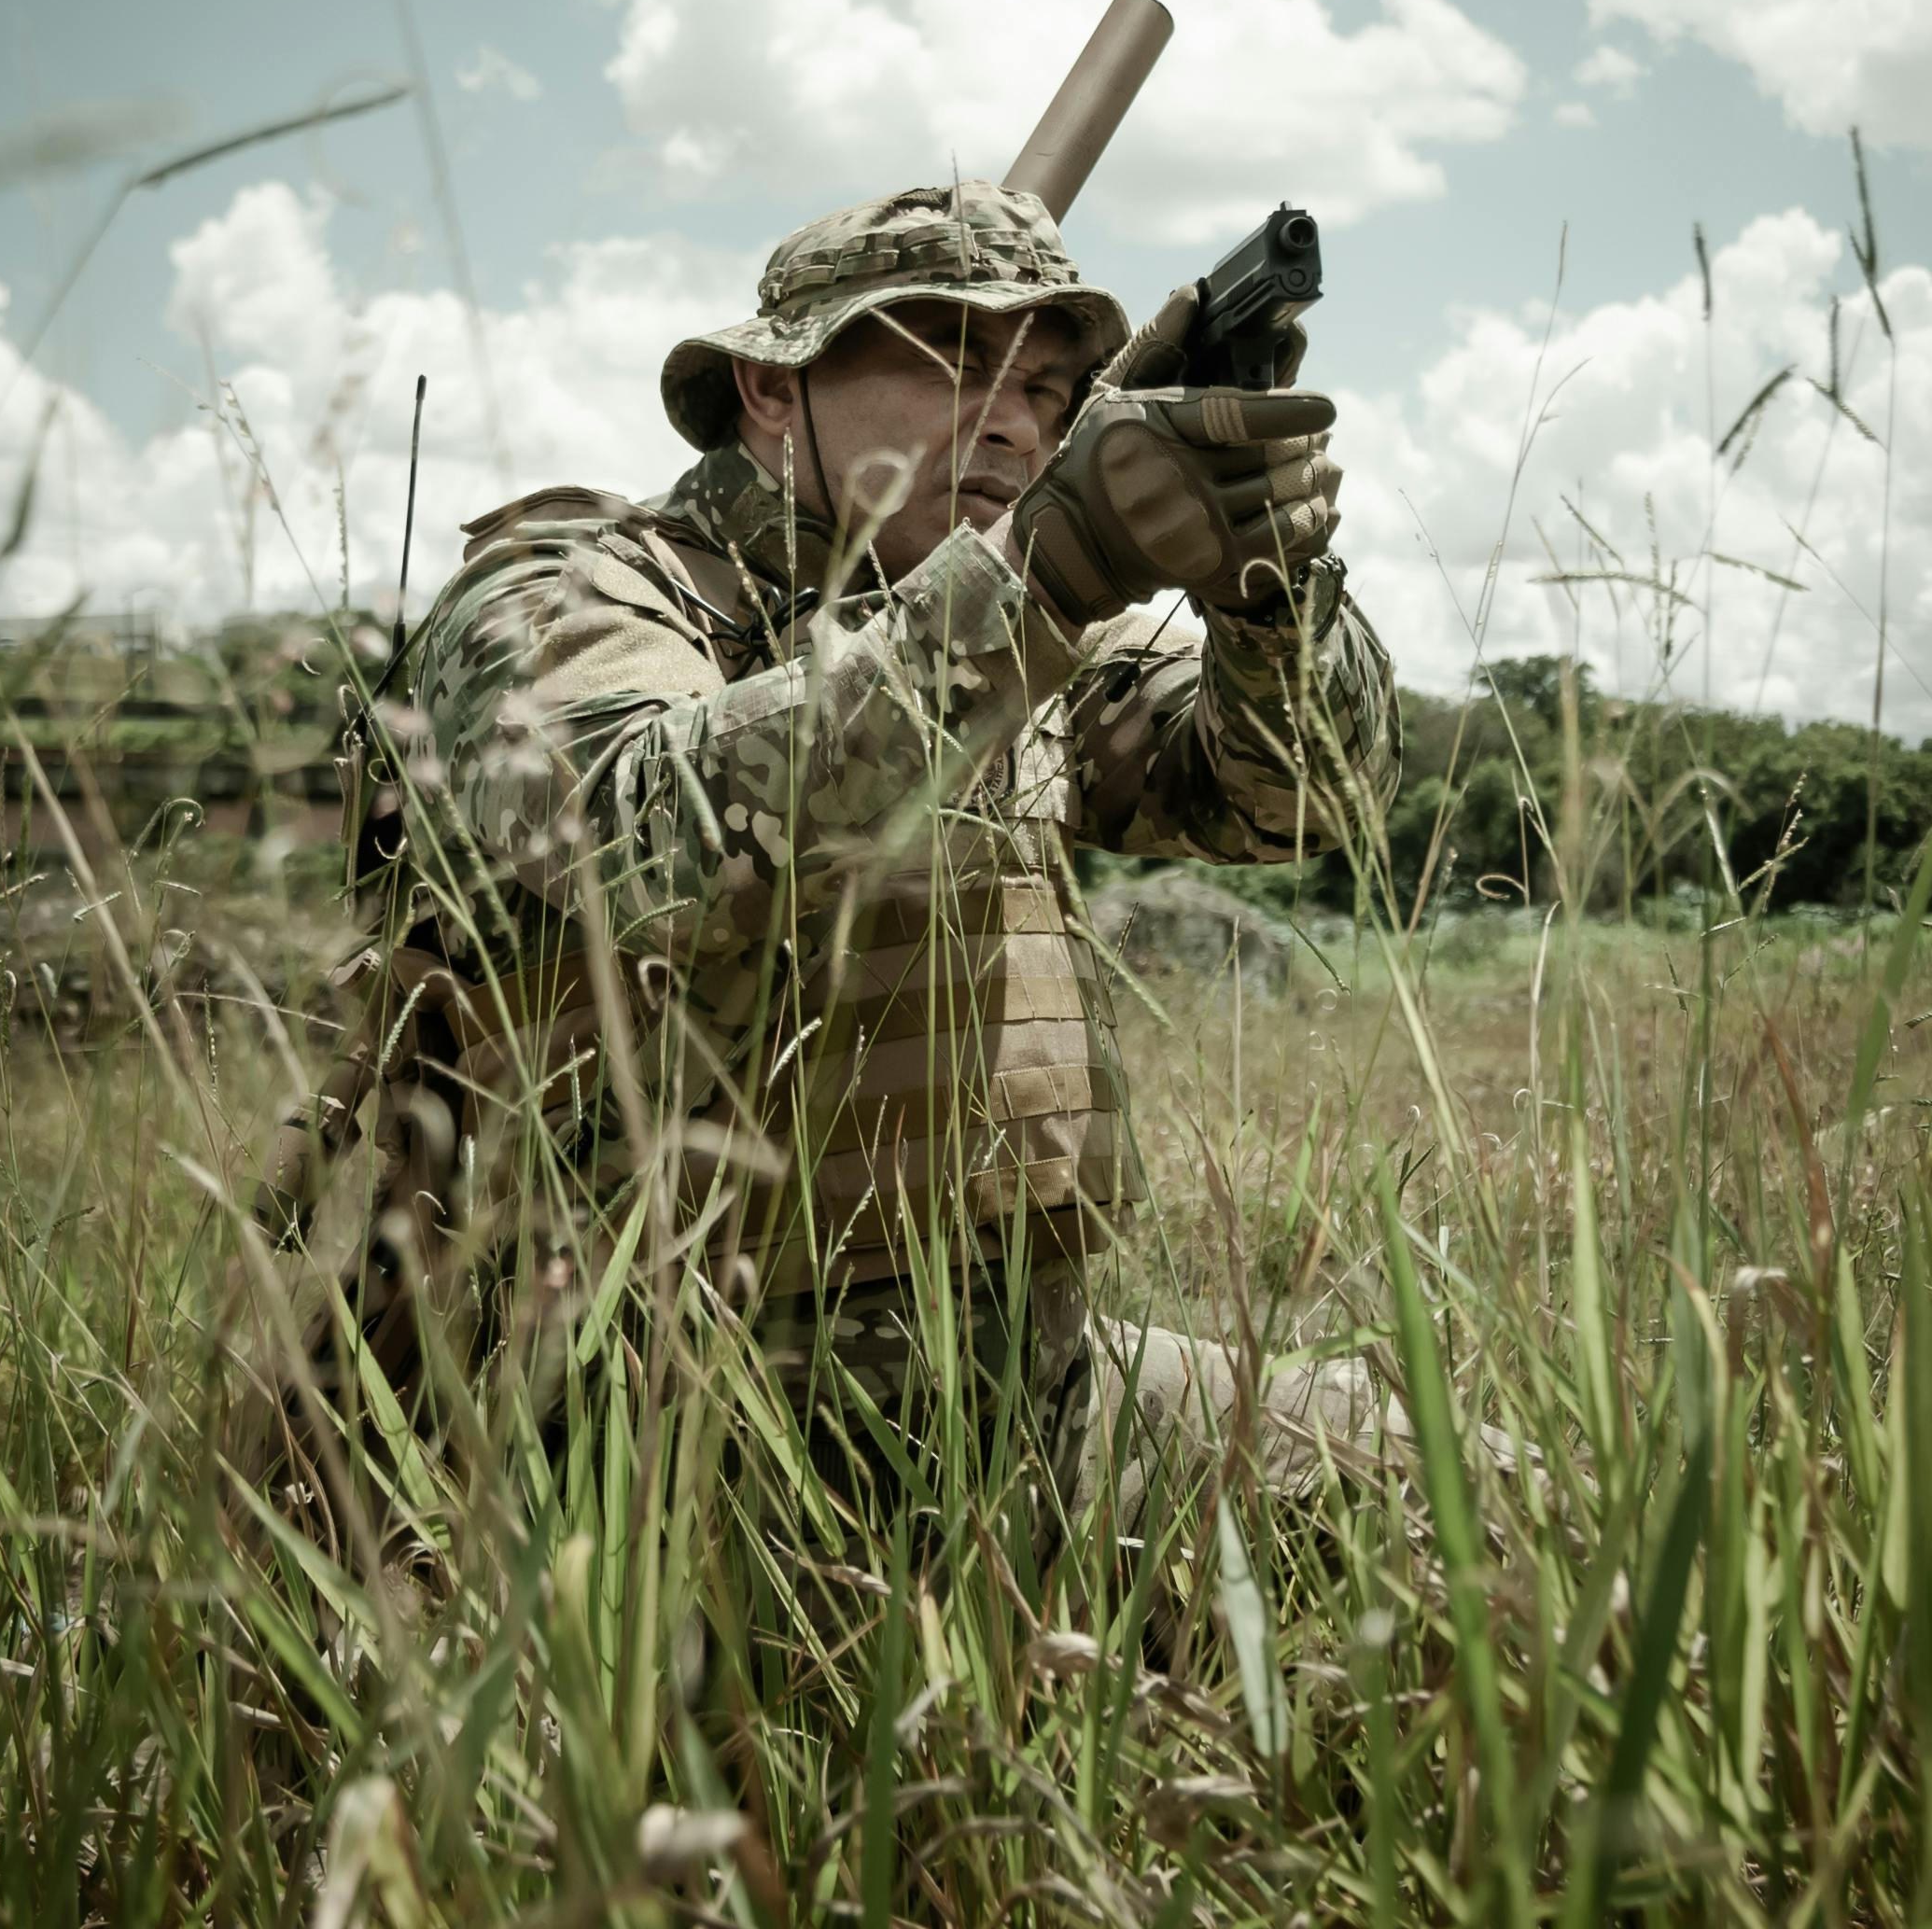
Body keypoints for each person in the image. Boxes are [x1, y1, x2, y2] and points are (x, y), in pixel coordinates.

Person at [270, 176, 1402, 1532]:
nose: (1012, 416)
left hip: (1020, 1375)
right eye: (951, 360)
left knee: (1453, 1481)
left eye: (1048, 388)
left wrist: (1267, 586)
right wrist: (1051, 565)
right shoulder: (582, 585)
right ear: (767, 391)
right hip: (653, 1412)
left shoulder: (1024, 609)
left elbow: (1292, 807)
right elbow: (631, 835)